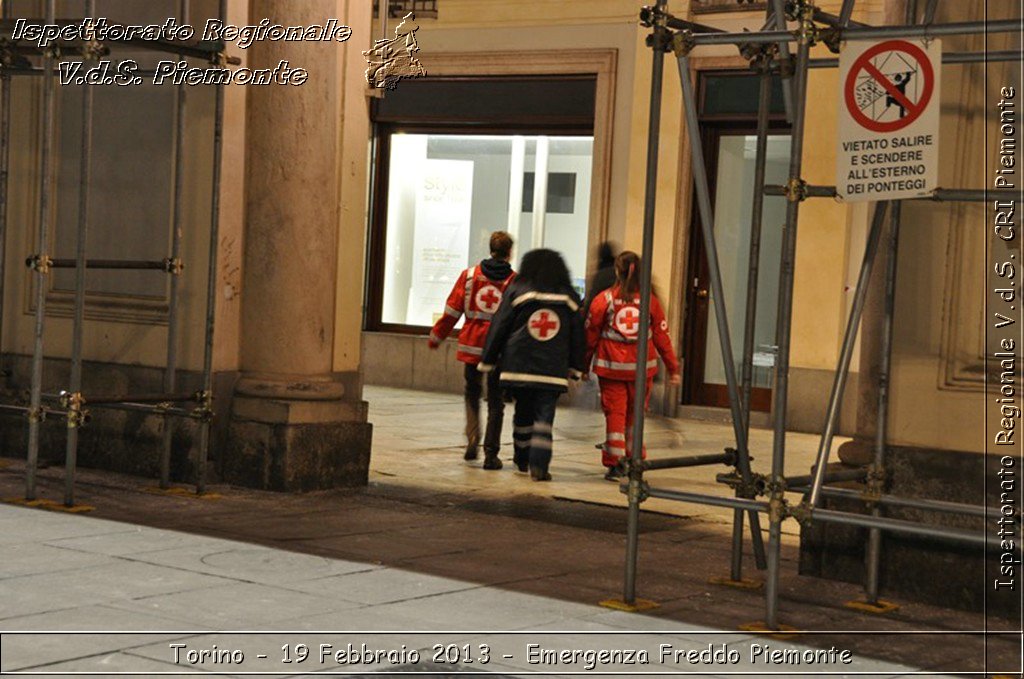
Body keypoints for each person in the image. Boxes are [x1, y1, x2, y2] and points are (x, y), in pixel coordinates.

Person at [478, 249, 585, 481]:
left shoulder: (517, 290)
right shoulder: (568, 297)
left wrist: (488, 358)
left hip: (518, 365)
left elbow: (500, 325)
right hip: (552, 369)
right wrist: (577, 366)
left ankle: (522, 458)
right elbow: (578, 335)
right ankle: (540, 466)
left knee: (522, 414)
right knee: (544, 419)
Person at [584, 251, 681, 481]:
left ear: (617, 271)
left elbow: (590, 335)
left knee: (615, 417)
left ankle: (615, 463)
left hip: (612, 370)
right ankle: (635, 459)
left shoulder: (604, 300)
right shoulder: (650, 302)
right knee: (635, 417)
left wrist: (582, 365)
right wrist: (673, 369)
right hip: (640, 371)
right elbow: (662, 337)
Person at [428, 231, 516, 469]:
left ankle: (472, 437)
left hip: (472, 346)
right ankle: (491, 453)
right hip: (497, 350)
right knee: (496, 400)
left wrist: (437, 336)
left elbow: (452, 311)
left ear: (490, 249)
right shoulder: (514, 281)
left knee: (472, 393)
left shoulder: (469, 277)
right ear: (509, 252)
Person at [582, 241, 618, 319]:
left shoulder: (601, 274)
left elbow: (592, 297)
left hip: (602, 312)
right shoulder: (618, 270)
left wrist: (584, 317)